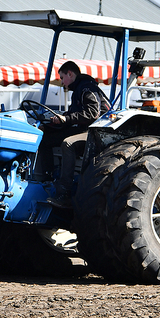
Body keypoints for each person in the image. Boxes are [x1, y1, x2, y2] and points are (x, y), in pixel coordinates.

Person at [43, 61, 110, 208]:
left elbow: (93, 113)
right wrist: (58, 120)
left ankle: (64, 192)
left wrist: (66, 119)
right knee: (45, 139)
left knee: (68, 144)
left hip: (97, 132)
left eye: (62, 78)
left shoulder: (86, 88)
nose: (61, 82)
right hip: (85, 129)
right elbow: (76, 113)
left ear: (70, 74)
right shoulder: (79, 89)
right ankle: (45, 179)